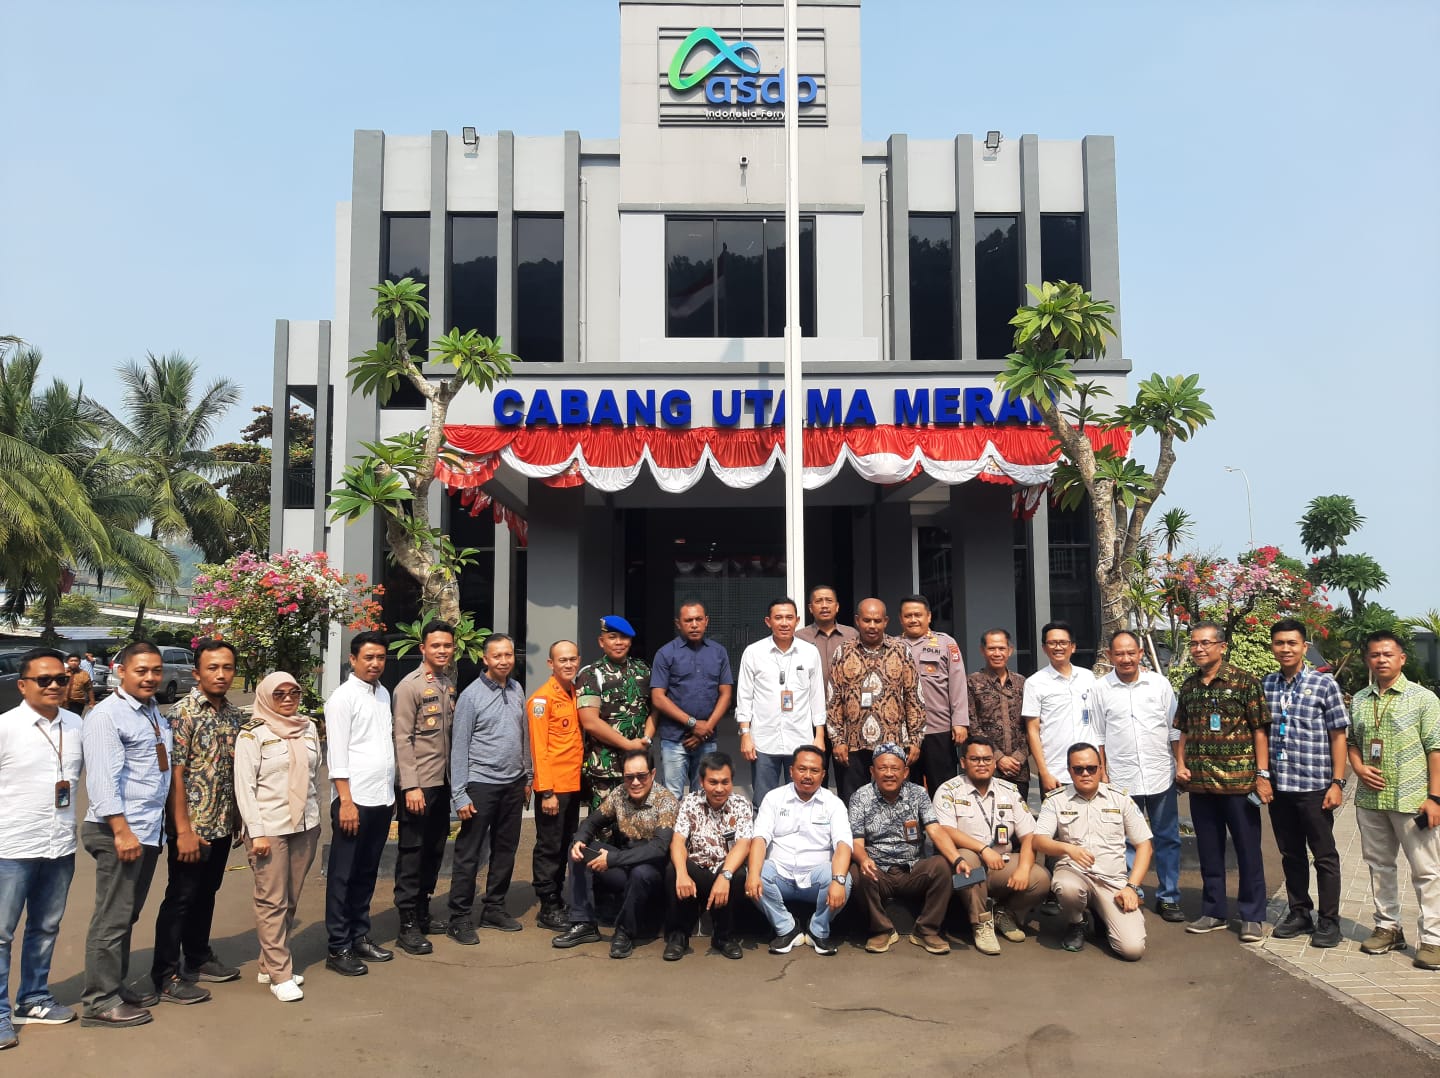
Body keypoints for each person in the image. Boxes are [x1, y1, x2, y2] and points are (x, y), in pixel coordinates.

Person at [80, 642, 172, 1028]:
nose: (150, 678)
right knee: (112, 917)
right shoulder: (107, 716)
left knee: (126, 915)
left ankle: (113, 986)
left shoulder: (150, 710)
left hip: (146, 829)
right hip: (120, 830)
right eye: (141, 671)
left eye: (156, 670)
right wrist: (121, 831)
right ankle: (100, 1001)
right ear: (121, 671)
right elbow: (102, 781)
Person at [148, 639, 243, 1005]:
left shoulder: (232, 714)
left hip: (221, 823)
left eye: (227, 667)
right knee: (181, 897)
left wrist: (236, 816)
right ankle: (165, 974)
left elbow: (231, 770)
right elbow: (175, 774)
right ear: (197, 673)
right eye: (212, 668)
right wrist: (183, 830)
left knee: (207, 892)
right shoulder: (183, 714)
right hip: (192, 827)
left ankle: (198, 957)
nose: (220, 674)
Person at [0, 649, 84, 1047]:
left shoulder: (76, 724)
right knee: (1, 934)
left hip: (59, 845)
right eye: (43, 679)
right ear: (22, 685)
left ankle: (33, 999)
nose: (54, 685)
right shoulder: (5, 727)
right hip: (11, 847)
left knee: (46, 927)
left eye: (60, 679)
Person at [1347, 631, 1440, 971]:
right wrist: (1358, 768)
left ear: (1402, 658)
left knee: (1426, 871)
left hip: (1412, 800)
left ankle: (1433, 940)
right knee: (1379, 865)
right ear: (1367, 660)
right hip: (1371, 799)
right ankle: (1388, 927)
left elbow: (1436, 749)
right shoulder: (1360, 699)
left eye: (1388, 654)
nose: (1381, 659)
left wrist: (1435, 797)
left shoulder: (1424, 698)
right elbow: (1353, 742)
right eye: (1374, 654)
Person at [1174, 621, 1269, 943]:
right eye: (1194, 643)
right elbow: (1183, 730)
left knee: (1248, 851)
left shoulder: (1245, 683)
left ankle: (1252, 916)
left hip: (1239, 784)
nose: (1198, 649)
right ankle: (1213, 911)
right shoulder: (1189, 686)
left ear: (1222, 646)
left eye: (1205, 643)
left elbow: (1259, 730)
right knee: (1209, 851)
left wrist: (1262, 775)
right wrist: (1181, 764)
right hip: (1201, 784)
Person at [234, 672, 323, 1003]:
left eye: (294, 692)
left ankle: (268, 964)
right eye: (279, 694)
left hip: (305, 824)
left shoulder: (308, 727)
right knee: (272, 900)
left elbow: (314, 775)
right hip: (269, 828)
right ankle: (281, 974)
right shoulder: (252, 734)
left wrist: (314, 818)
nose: (288, 699)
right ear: (265, 697)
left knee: (291, 898)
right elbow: (245, 788)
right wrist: (255, 833)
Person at [1263, 618, 1349, 949]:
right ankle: (1300, 912)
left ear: (1304, 647)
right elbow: (1262, 733)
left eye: (1292, 643)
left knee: (1324, 855)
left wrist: (1337, 782)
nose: (1285, 649)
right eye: (1279, 643)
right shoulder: (1267, 685)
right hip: (1281, 787)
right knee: (1291, 854)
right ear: (1273, 647)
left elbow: (1338, 735)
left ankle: (1329, 921)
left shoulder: (1324, 684)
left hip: (1315, 787)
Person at [1090, 629, 1184, 923]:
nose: (1126, 658)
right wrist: (1102, 771)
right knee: (1126, 839)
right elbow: (1098, 735)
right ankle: (1132, 890)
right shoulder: (1100, 689)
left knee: (1167, 837)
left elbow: (1174, 729)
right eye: (1119, 653)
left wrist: (1180, 763)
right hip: (1122, 777)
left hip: (1160, 773)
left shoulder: (1159, 684)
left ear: (1141, 653)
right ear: (1110, 656)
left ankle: (1169, 896)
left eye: (1131, 652)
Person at [552, 749, 679, 958]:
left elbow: (659, 848)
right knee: (580, 849)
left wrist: (612, 859)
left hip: (653, 872)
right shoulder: (620, 793)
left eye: (641, 776)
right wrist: (580, 839)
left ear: (653, 774)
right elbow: (592, 822)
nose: (635, 782)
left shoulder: (666, 801)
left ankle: (625, 932)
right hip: (624, 864)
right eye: (629, 777)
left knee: (641, 873)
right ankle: (584, 922)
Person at [1033, 743, 1153, 960]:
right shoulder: (1056, 800)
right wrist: (1067, 848)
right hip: (1074, 873)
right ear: (1069, 771)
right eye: (1078, 769)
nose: (1085, 773)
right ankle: (1077, 923)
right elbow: (1039, 841)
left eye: (1091, 768)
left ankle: (1101, 913)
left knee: (1132, 950)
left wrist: (1132, 887)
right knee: (1066, 887)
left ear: (1100, 768)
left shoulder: (1120, 799)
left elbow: (1145, 845)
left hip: (1112, 880)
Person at [447, 633, 531, 944]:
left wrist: (528, 777)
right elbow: (459, 746)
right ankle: (459, 917)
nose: (504, 661)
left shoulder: (517, 688)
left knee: (506, 850)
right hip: (480, 784)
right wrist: (460, 794)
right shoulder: (471, 696)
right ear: (485, 659)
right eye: (497, 656)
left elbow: (523, 735)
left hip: (513, 784)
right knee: (469, 853)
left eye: (508, 654)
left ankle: (494, 907)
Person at [848, 743, 970, 956]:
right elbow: (856, 842)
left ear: (905, 772)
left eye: (895, 768)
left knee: (943, 865)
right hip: (878, 871)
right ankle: (882, 930)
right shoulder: (860, 797)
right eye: (882, 768)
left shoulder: (918, 794)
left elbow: (935, 830)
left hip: (913, 869)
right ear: (872, 771)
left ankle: (926, 930)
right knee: (857, 871)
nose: (889, 773)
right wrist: (864, 859)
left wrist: (957, 859)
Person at [933, 735, 1051, 954]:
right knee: (969, 859)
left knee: (1040, 878)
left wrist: (1023, 869)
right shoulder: (948, 790)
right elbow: (945, 830)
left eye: (987, 759)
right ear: (963, 762)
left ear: (994, 763)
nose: (982, 764)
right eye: (975, 759)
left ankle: (1005, 914)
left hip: (999, 865)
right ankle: (981, 923)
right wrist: (983, 849)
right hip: (961, 868)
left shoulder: (1009, 791)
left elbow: (1029, 836)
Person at [323, 631, 396, 976]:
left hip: (381, 798)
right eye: (368, 657)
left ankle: (359, 935)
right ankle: (338, 946)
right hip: (354, 801)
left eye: (380, 657)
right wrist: (346, 801)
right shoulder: (342, 698)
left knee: (367, 872)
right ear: (353, 660)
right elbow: (336, 754)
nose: (375, 663)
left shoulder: (383, 693)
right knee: (344, 875)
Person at [745, 746, 853, 956]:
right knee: (756, 872)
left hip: (815, 878)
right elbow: (759, 838)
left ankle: (818, 930)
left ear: (823, 774)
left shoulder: (833, 803)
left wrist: (838, 881)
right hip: (780, 875)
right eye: (802, 769)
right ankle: (787, 928)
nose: (807, 775)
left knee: (843, 880)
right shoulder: (774, 798)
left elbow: (843, 844)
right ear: (791, 770)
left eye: (814, 770)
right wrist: (754, 874)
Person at [391, 620, 458, 955]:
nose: (442, 651)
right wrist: (410, 786)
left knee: (434, 849)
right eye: (436, 646)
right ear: (423, 648)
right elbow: (402, 738)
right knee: (413, 851)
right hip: (419, 786)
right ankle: (406, 923)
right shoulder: (409, 686)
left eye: (447, 645)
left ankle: (422, 911)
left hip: (441, 782)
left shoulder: (447, 683)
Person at [827, 598, 924, 803]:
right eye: (867, 620)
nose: (872, 626)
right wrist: (837, 740)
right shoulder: (843, 651)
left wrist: (916, 739)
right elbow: (833, 699)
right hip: (853, 744)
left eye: (877, 621)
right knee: (853, 802)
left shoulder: (901, 650)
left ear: (885, 621)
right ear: (857, 620)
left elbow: (913, 696)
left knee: (893, 803)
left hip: (893, 742)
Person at [736, 597, 826, 808]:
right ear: (768, 621)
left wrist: (819, 735)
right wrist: (745, 734)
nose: (784, 623)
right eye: (778, 618)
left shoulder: (809, 652)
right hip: (763, 741)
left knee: (802, 799)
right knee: (763, 801)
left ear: (797, 620)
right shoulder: (753, 652)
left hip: (801, 739)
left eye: (789, 617)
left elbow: (817, 696)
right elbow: (744, 697)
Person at [663, 752, 753, 961]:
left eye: (725, 782)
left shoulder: (741, 804)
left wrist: (725, 876)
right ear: (702, 781)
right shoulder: (690, 801)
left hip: (724, 867)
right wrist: (682, 873)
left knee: (739, 875)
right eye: (713, 782)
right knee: (672, 870)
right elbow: (678, 841)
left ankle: (723, 937)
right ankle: (678, 936)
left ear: (732, 781)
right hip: (697, 869)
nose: (719, 788)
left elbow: (743, 844)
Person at [528, 640, 584, 931]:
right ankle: (548, 905)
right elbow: (538, 749)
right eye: (562, 660)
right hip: (554, 789)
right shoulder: (542, 699)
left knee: (565, 843)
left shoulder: (576, 693)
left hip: (573, 785)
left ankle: (559, 898)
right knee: (549, 847)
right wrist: (546, 792)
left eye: (572, 659)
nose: (568, 664)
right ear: (551, 663)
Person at [651, 601, 734, 798]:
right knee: (672, 796)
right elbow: (658, 698)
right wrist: (693, 724)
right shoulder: (665, 653)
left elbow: (726, 694)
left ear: (706, 621)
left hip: (707, 738)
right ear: (678, 624)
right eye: (688, 620)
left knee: (705, 795)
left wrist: (705, 729)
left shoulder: (718, 652)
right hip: (674, 739)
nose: (694, 625)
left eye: (698, 619)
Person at [576, 616, 655, 808]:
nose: (619, 642)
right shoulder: (590, 674)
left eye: (624, 637)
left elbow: (655, 709)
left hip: (638, 768)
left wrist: (646, 739)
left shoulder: (644, 670)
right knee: (603, 823)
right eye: (612, 637)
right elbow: (590, 722)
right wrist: (629, 745)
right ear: (601, 641)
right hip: (606, 769)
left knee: (639, 821)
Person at [896, 595, 969, 796]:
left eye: (918, 615)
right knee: (907, 790)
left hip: (938, 729)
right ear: (900, 619)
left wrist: (960, 721)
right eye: (908, 616)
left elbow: (957, 683)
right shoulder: (892, 645)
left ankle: (943, 818)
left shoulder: (946, 643)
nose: (913, 620)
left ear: (928, 617)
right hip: (903, 732)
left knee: (943, 789)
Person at [1023, 620, 1097, 794]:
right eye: (1052, 643)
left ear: (1073, 647)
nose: (1058, 647)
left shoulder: (1088, 677)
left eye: (1063, 642)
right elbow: (1032, 730)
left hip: (1088, 770)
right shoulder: (1034, 683)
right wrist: (1043, 773)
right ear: (1044, 648)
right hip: (1055, 772)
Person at [967, 629, 1030, 800]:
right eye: (991, 648)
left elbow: (1032, 726)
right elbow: (973, 725)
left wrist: (1019, 757)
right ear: (982, 650)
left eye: (1001, 648)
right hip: (985, 768)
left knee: (1019, 814)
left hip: (1018, 770)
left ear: (1010, 650)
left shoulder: (1022, 683)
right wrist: (998, 758)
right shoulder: (972, 682)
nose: (997, 653)